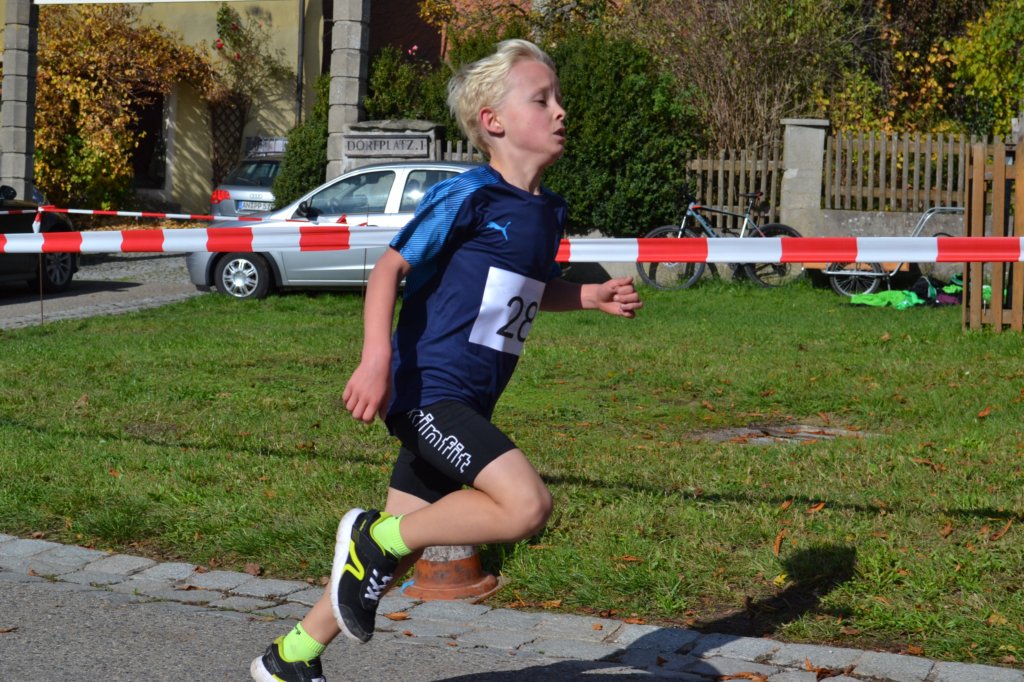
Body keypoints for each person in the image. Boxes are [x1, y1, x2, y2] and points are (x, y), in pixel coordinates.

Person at [251, 38, 643, 682]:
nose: (560, 111)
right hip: (429, 391)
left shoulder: (547, 211)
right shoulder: (469, 194)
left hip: (471, 399)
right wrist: (375, 360)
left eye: (558, 98)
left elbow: (522, 292)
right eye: (541, 99)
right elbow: (388, 269)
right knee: (526, 507)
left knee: (398, 551)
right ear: (494, 121)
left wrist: (587, 296)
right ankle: (372, 537)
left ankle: (289, 656)